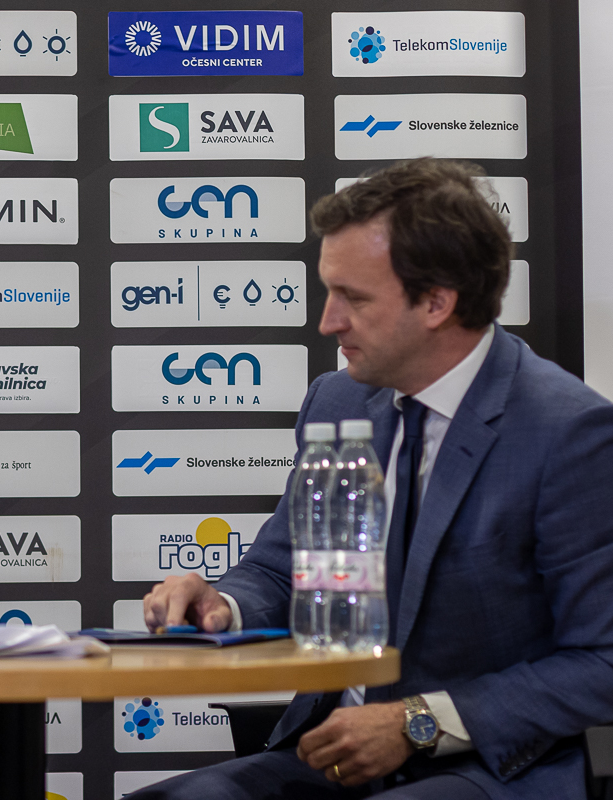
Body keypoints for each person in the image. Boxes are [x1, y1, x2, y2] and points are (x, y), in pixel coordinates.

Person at [134, 159, 613, 800]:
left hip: (484, 770)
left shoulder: (568, 433)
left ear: (437, 302)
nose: (328, 321)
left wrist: (417, 723)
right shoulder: (336, 401)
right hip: (327, 755)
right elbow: (283, 569)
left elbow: (602, 661)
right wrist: (223, 605)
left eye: (354, 298)